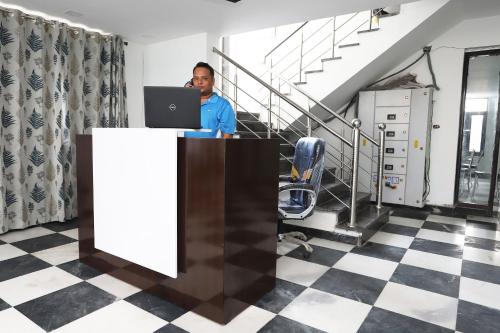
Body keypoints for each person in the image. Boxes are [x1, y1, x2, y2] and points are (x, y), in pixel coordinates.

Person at [184, 62, 236, 138]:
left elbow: (227, 137)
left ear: (213, 81)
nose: (199, 82)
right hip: (184, 148)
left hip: (210, 149)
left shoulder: (223, 105)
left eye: (204, 78)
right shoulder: (185, 103)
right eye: (196, 78)